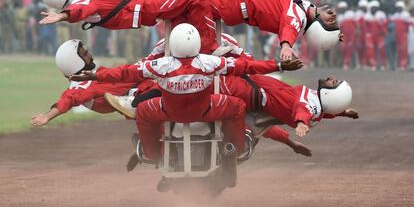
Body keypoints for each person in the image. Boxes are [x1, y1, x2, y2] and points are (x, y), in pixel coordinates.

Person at [69, 23, 303, 161]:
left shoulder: (162, 64)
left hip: (169, 109)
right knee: (240, 109)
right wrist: (279, 65)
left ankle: (152, 152)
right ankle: (239, 147)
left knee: (143, 110)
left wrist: (96, 75)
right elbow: (248, 66)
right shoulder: (210, 62)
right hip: (208, 107)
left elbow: (128, 71)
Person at [38, 0, 218, 54]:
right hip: (145, 5)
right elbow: (78, 12)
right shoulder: (81, 2)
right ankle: (210, 48)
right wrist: (62, 16)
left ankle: (214, 16)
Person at [206, 0, 342, 60]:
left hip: (234, 2)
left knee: (193, 2)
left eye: (331, 22)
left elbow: (290, 27)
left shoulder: (298, 16)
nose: (334, 15)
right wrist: (333, 34)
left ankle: (210, 46)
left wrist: (286, 47)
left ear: (318, 27)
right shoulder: (305, 7)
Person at [30, 39, 154, 126]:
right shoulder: (80, 87)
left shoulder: (96, 74)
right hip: (144, 91)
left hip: (144, 85)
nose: (90, 55)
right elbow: (67, 100)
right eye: (85, 54)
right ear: (75, 62)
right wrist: (47, 116)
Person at [220, 74, 358, 138]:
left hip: (249, 91)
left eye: (334, 83)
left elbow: (302, 111)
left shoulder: (309, 104)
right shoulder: (319, 106)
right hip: (253, 85)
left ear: (330, 94)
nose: (332, 78)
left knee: (214, 82)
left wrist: (301, 124)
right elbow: (325, 112)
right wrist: (343, 112)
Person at [390, 1, 410, 71]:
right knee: (398, 50)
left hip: (403, 35)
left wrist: (407, 33)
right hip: (397, 35)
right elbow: (391, 23)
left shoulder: (406, 15)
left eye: (400, 7)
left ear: (403, 8)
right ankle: (399, 64)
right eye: (397, 8)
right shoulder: (395, 15)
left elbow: (409, 25)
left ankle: (404, 65)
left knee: (403, 50)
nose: (398, 9)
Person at [337, 1, 357, 70]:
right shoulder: (339, 16)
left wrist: (357, 32)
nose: (341, 9)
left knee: (350, 49)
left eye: (342, 8)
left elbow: (356, 24)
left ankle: (346, 63)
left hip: (351, 35)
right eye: (340, 8)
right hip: (344, 35)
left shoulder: (351, 14)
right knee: (343, 49)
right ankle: (344, 62)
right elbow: (339, 27)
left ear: (345, 8)